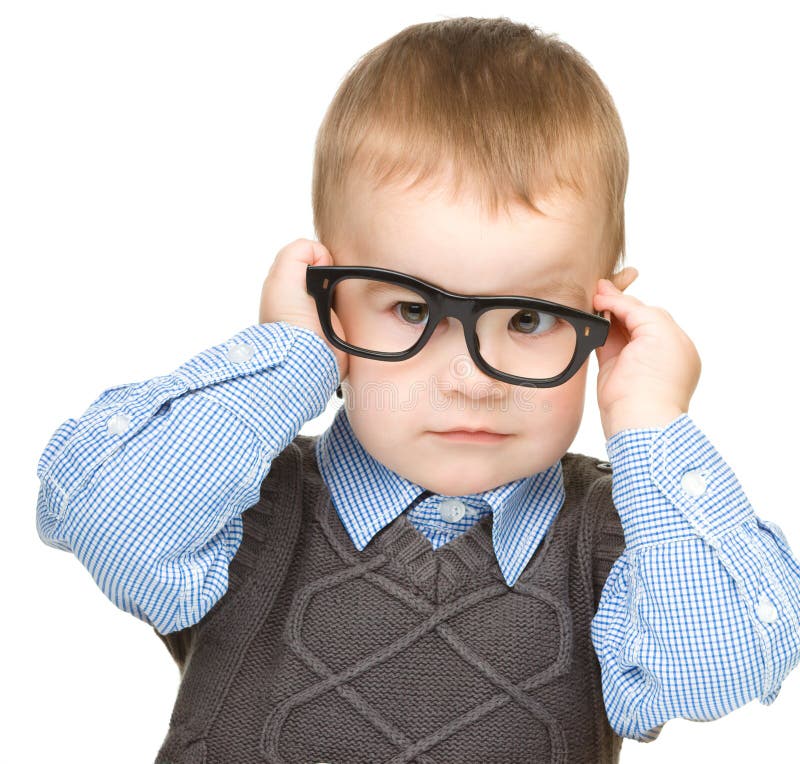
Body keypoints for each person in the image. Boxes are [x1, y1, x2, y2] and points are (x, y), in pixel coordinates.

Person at [34, 16, 800, 764]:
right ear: (329, 299)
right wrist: (286, 359)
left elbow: (717, 667)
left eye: (529, 317)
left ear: (605, 314)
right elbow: (105, 519)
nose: (471, 380)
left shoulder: (618, 539)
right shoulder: (243, 502)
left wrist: (652, 424)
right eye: (411, 309)